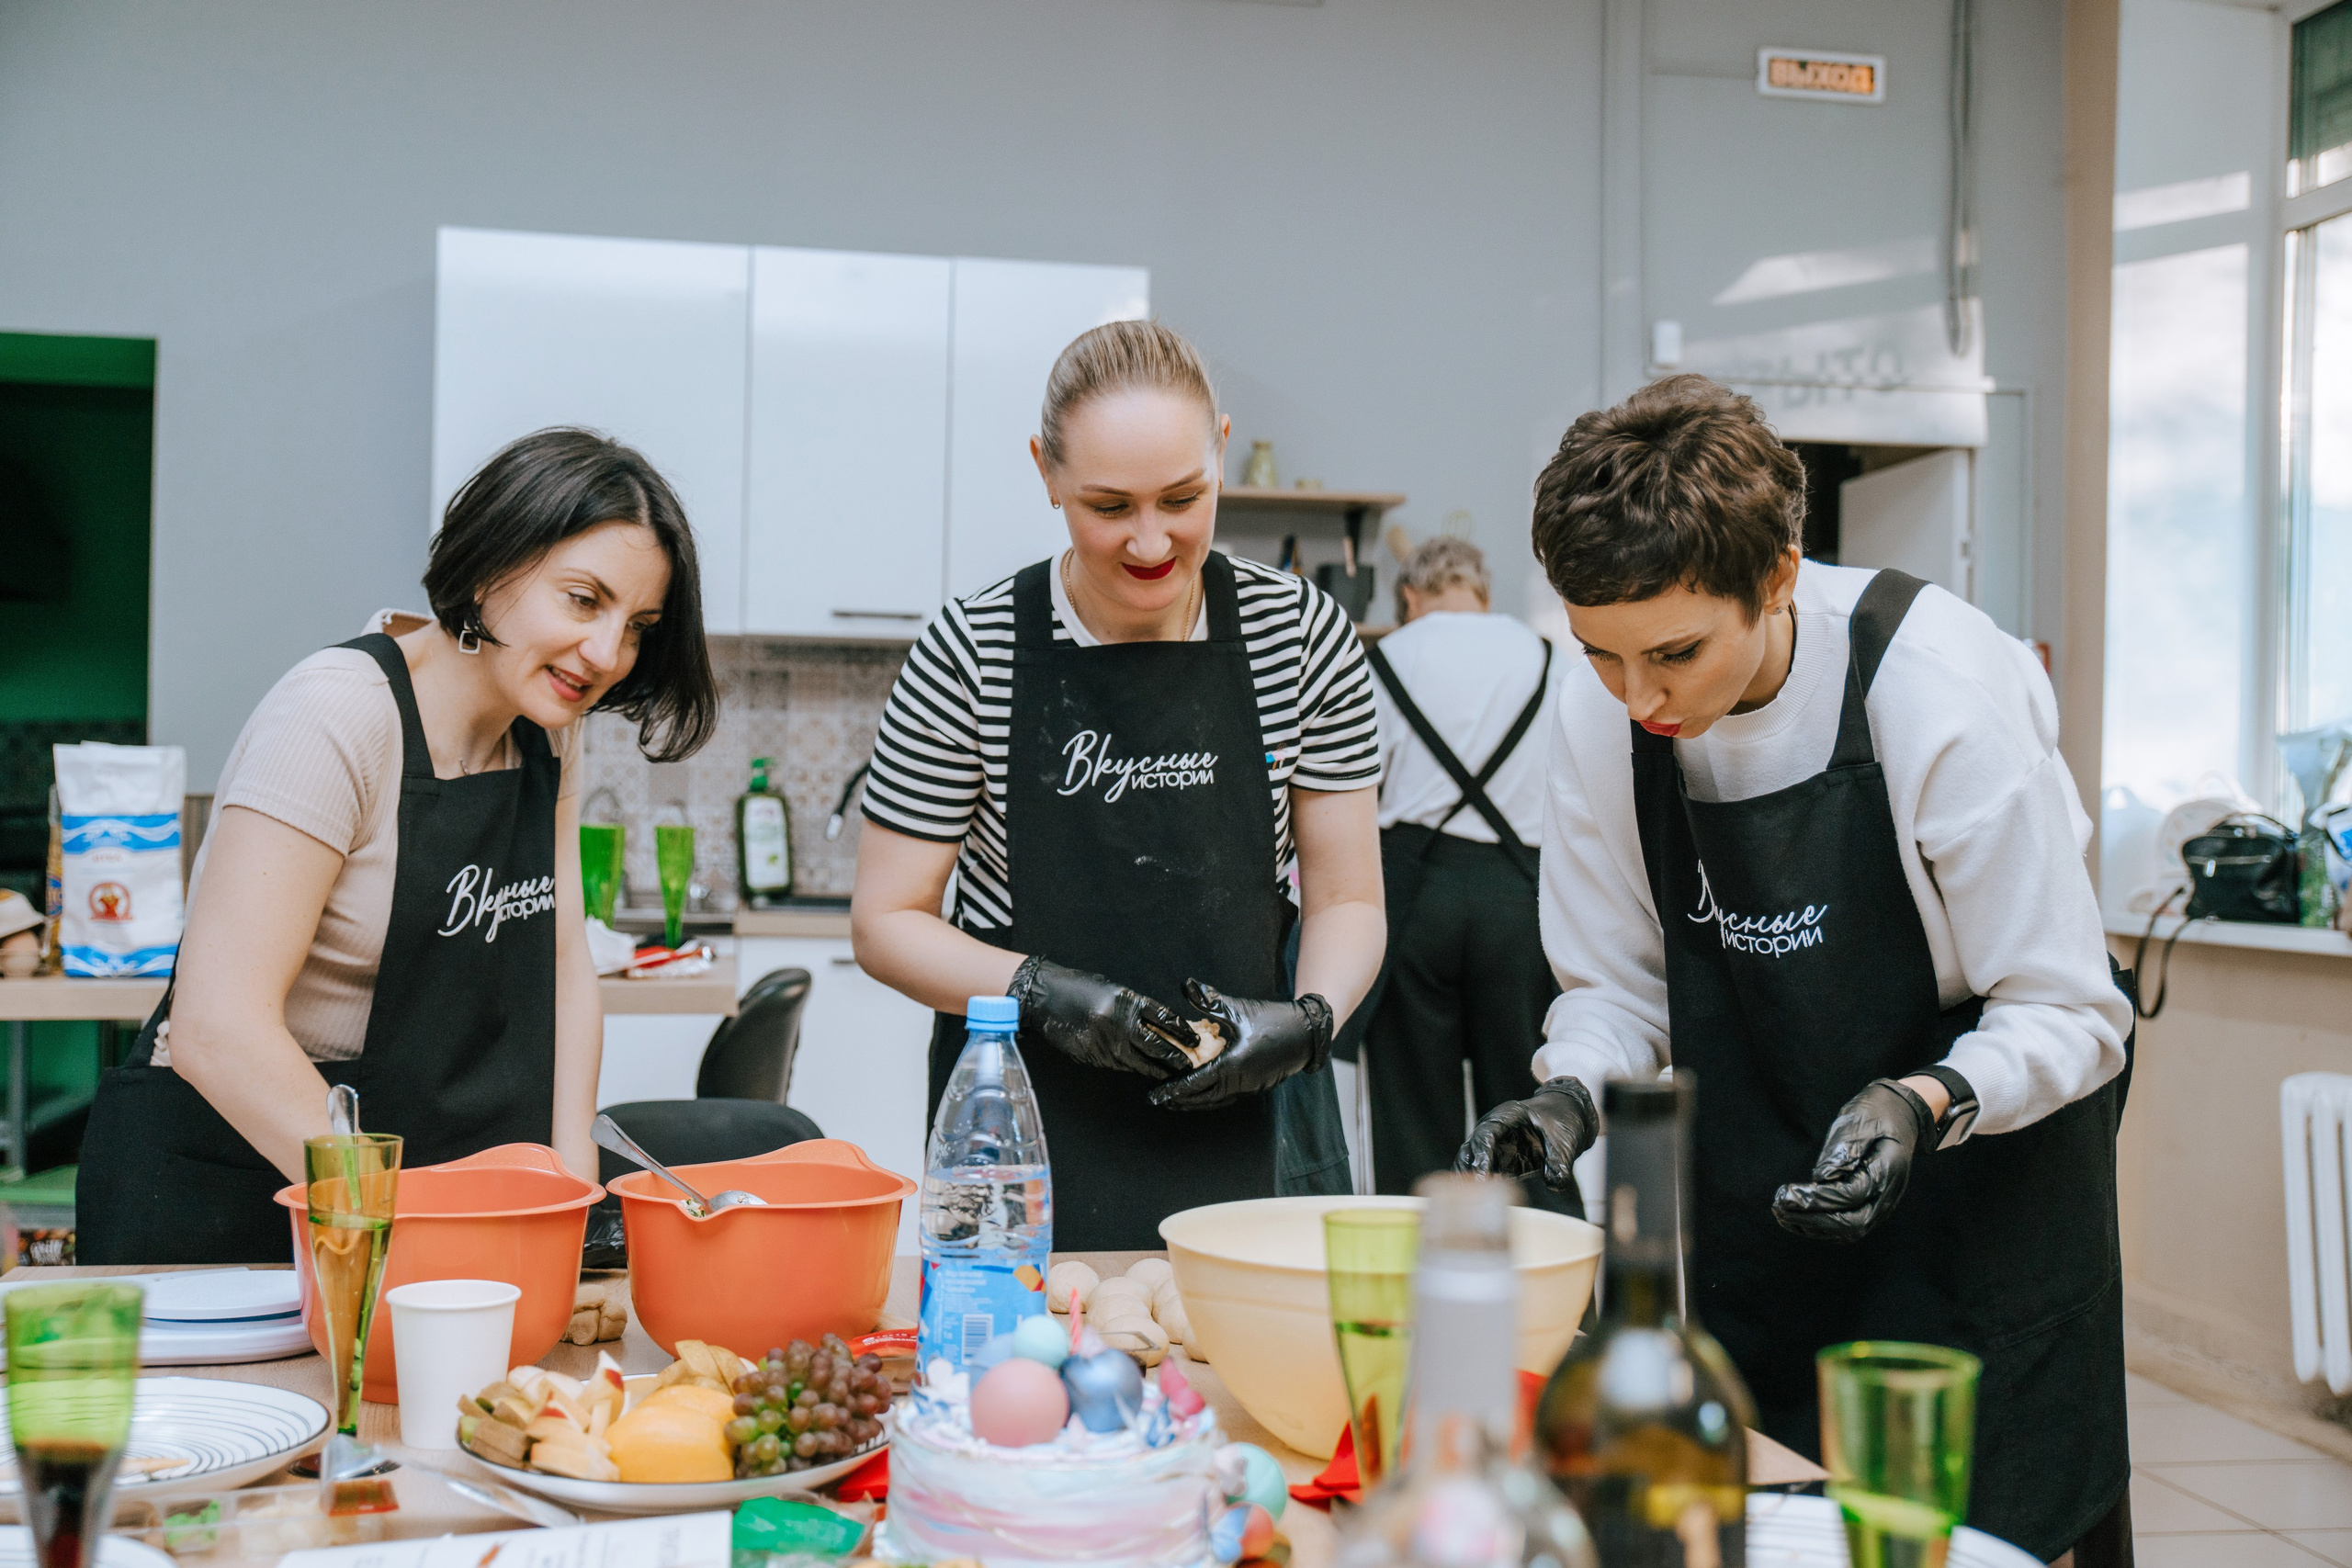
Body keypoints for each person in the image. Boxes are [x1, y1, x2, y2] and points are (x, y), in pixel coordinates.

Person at [1460, 377, 2133, 1566]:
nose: (1642, 698)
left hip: (1981, 1193)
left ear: (1775, 576)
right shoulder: (1601, 705)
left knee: (1974, 1527)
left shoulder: (1935, 685)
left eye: (1675, 652)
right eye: (1602, 655)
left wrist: (1920, 1101)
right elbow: (1618, 987)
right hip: (1768, 1194)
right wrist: (1571, 1091)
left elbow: (2072, 1005)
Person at [78, 429, 718, 1264]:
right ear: (492, 567)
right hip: (228, 1201)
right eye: (583, 599)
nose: (607, 655)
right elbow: (217, 1028)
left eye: (637, 626)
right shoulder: (336, 714)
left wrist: (571, 1200)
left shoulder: (548, 733)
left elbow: (563, 964)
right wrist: (396, 1221)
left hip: (416, 1211)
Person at [852, 320, 1386, 1249]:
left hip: (1242, 1116)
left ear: (1221, 450)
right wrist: (1050, 997)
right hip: (1011, 1120)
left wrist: (1306, 1022)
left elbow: (1347, 897)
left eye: (1182, 497)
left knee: (1231, 1379)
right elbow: (886, 922)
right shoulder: (971, 649)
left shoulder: (1298, 636)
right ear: (1046, 474)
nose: (1150, 542)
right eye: (1109, 507)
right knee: (1002, 1378)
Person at [1352, 536, 1570, 1210]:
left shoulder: (1384, 657)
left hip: (1414, 898)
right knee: (1532, 1107)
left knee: (1412, 1108)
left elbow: (1361, 782)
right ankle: (1552, 1289)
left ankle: (1420, 1289)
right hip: (1519, 896)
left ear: (1409, 596)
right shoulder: (1547, 657)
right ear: (1483, 592)